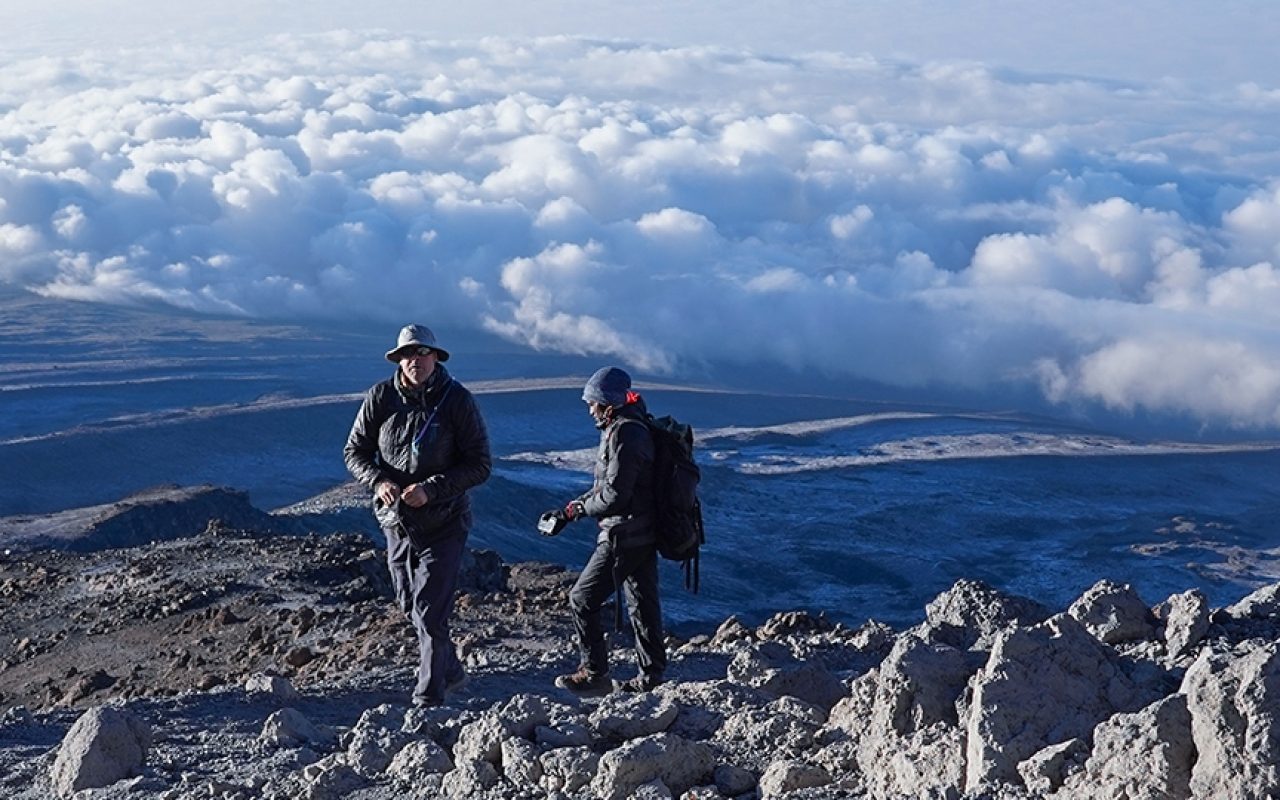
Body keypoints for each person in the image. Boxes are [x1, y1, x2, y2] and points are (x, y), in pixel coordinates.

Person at [344, 323, 491, 707]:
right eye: (408, 355)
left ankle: (429, 694)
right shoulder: (381, 397)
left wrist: (433, 489)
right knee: (409, 602)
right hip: (396, 521)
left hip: (445, 521)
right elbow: (355, 451)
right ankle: (453, 670)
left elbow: (480, 464)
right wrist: (378, 481)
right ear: (399, 360)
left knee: (429, 608)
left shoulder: (457, 401)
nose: (416, 361)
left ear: (435, 358)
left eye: (423, 354)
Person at [540, 366, 667, 695]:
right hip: (642, 532)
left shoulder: (625, 433)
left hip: (623, 534)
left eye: (592, 403)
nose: (589, 409)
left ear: (608, 404)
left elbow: (614, 496)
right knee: (642, 603)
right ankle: (651, 677)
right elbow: (609, 487)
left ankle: (594, 673)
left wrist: (579, 509)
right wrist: (569, 511)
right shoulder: (631, 427)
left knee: (582, 598)